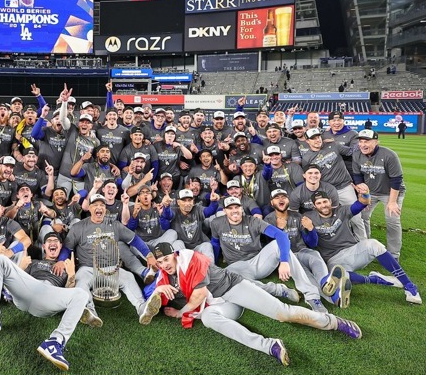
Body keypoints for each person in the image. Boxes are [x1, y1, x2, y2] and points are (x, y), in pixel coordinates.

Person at [141, 243, 362, 366]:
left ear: (176, 255)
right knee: (208, 319)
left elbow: (198, 296)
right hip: (220, 305)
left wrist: (180, 313)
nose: (164, 265)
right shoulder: (164, 274)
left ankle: (333, 322)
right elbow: (152, 297)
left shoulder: (193, 259)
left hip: (233, 288)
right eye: (160, 262)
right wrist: (158, 290)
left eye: (167, 259)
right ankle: (270, 346)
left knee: (282, 314)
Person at [0, 232, 96, 371]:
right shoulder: (33, 262)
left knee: (81, 294)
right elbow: (13, 284)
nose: (52, 242)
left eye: (56, 241)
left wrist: (71, 275)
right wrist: (21, 267)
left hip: (49, 296)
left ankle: (55, 342)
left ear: (60, 246)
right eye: (49, 240)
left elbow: (69, 294)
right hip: (27, 290)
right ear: (44, 246)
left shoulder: (65, 267)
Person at [55, 193, 159, 325]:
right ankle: (90, 312)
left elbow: (134, 239)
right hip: (88, 268)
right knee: (80, 282)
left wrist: (149, 255)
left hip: (112, 268)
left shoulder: (114, 225)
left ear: (105, 209)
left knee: (128, 277)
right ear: (90, 208)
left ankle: (142, 308)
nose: (99, 208)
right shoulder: (78, 227)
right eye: (95, 205)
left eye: (102, 205)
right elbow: (67, 248)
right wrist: (60, 260)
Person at [303, 190, 421, 305]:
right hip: (333, 259)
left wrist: (365, 193)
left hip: (354, 251)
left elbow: (361, 204)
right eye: (319, 203)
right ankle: (375, 279)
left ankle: (409, 286)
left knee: (374, 244)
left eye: (325, 201)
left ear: (330, 201)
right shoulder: (308, 218)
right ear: (314, 205)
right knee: (339, 278)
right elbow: (312, 244)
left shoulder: (342, 210)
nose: (323, 205)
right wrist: (311, 229)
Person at [210, 196, 326, 312]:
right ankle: (278, 290)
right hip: (237, 266)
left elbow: (281, 236)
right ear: (225, 211)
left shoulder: (253, 221)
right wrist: (214, 265)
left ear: (242, 208)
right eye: (230, 208)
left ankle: (312, 297)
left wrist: (284, 261)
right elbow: (215, 244)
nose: (234, 210)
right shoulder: (217, 223)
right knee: (232, 279)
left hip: (259, 262)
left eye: (237, 207)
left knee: (278, 244)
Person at [352, 130, 406, 259]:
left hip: (390, 192)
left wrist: (392, 202)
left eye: (367, 141)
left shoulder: (389, 155)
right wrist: (363, 196)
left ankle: (393, 255)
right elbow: (358, 176)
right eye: (361, 141)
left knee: (392, 219)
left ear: (376, 142)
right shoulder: (357, 154)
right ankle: (366, 247)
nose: (363, 145)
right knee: (362, 216)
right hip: (371, 192)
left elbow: (396, 179)